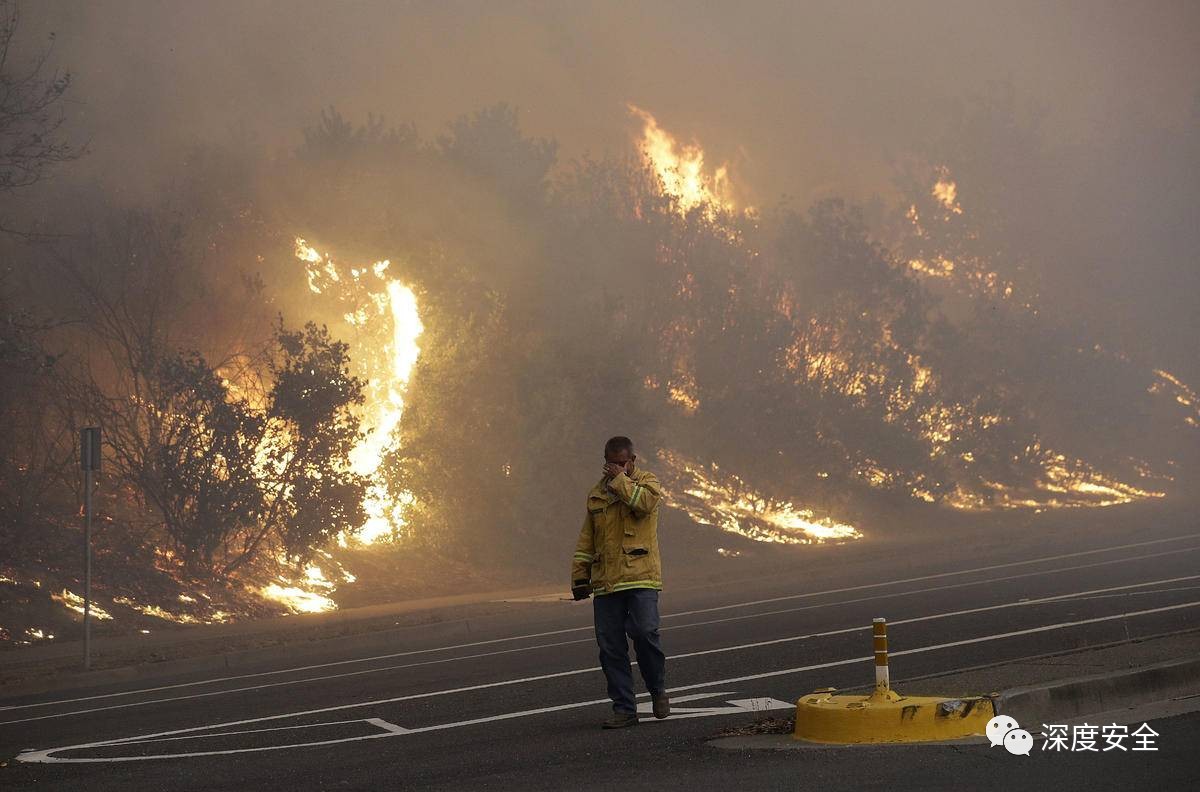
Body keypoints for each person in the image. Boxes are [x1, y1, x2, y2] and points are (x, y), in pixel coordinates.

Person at [570, 435, 670, 728]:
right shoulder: (596, 494)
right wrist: (579, 575)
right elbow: (587, 539)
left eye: (621, 463)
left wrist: (620, 481)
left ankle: (657, 690)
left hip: (641, 577)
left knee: (644, 632)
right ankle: (625, 709)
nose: (615, 468)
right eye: (611, 464)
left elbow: (643, 506)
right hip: (607, 583)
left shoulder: (647, 483)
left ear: (632, 461)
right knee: (611, 647)